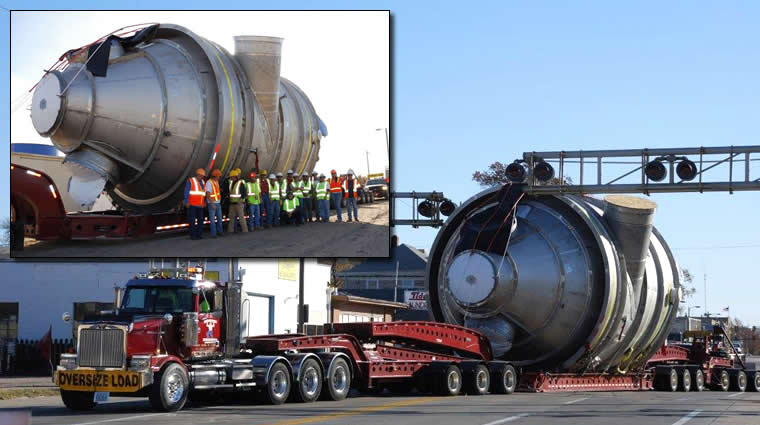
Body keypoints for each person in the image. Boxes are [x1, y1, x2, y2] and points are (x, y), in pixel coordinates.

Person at [184, 168, 206, 240]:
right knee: (192, 221)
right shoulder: (191, 181)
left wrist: (204, 202)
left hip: (200, 205)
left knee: (200, 221)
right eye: (201, 176)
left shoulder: (203, 182)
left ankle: (199, 235)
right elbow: (186, 192)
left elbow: (203, 193)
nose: (202, 177)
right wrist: (187, 201)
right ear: (198, 175)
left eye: (203, 176)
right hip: (192, 205)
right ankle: (193, 235)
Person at [226, 169, 248, 233]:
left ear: (234, 177)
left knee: (241, 218)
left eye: (231, 177)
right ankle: (230, 231)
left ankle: (245, 230)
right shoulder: (231, 183)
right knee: (231, 218)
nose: (230, 178)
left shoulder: (240, 183)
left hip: (239, 204)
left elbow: (244, 194)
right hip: (232, 204)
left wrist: (240, 201)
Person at [205, 169, 223, 238]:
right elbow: (208, 194)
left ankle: (219, 232)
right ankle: (214, 234)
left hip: (218, 203)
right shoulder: (209, 183)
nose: (219, 177)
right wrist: (212, 204)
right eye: (219, 176)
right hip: (212, 203)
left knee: (219, 218)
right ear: (215, 176)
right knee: (212, 220)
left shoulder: (216, 182)